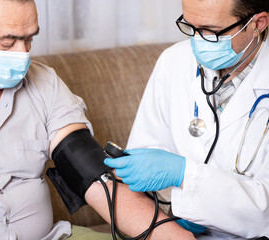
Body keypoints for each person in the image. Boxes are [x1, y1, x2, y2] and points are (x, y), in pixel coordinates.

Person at [0, 0, 196, 239]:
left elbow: (94, 178)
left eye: (29, 38)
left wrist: (172, 236)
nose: (23, 55)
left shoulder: (44, 83)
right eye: (8, 42)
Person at [104, 0, 269, 239]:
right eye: (190, 27)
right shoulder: (174, 61)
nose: (197, 41)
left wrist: (182, 174)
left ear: (258, 24)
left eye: (210, 31)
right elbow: (144, 155)